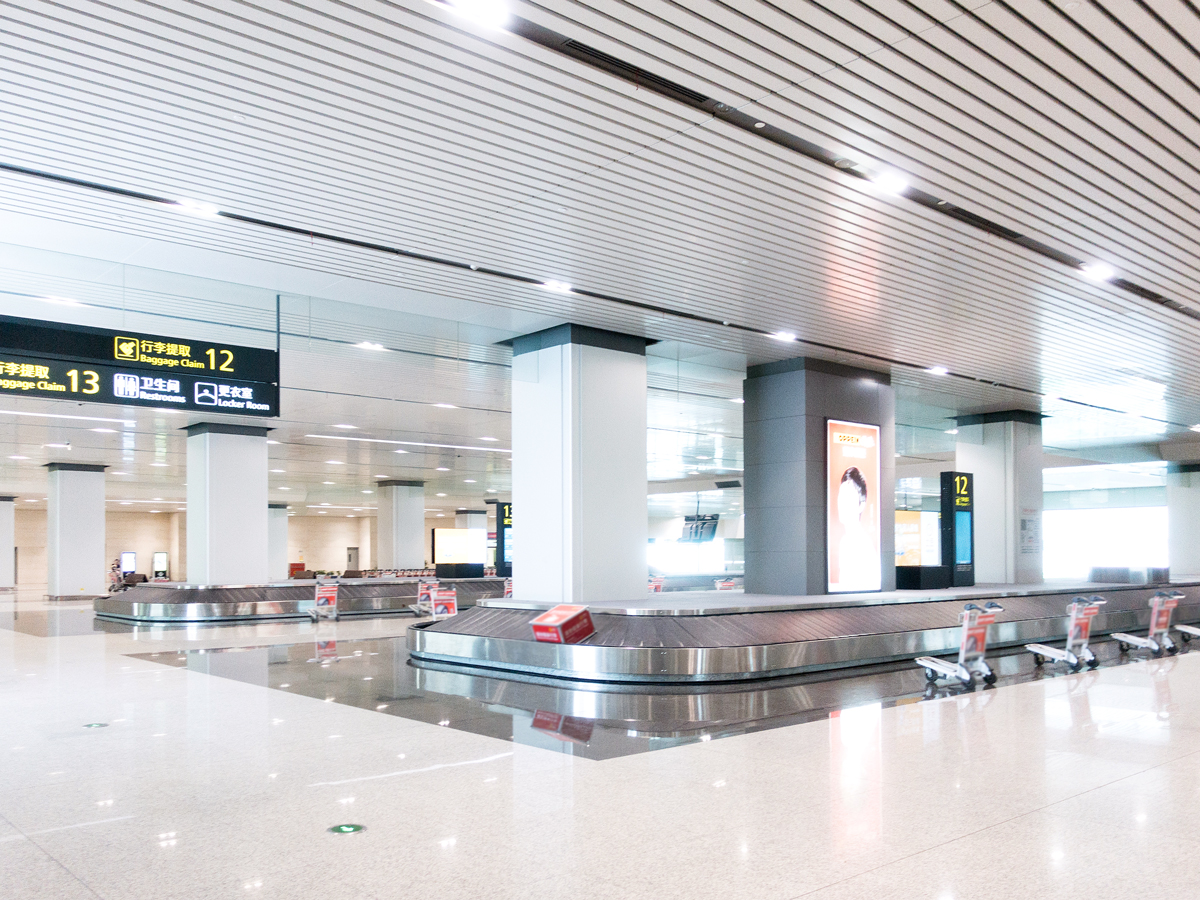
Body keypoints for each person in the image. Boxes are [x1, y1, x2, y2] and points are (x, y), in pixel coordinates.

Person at [835, 466, 880, 591]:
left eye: (849, 496)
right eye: (841, 495)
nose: (843, 502)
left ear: (861, 505)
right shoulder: (845, 541)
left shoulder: (863, 546)